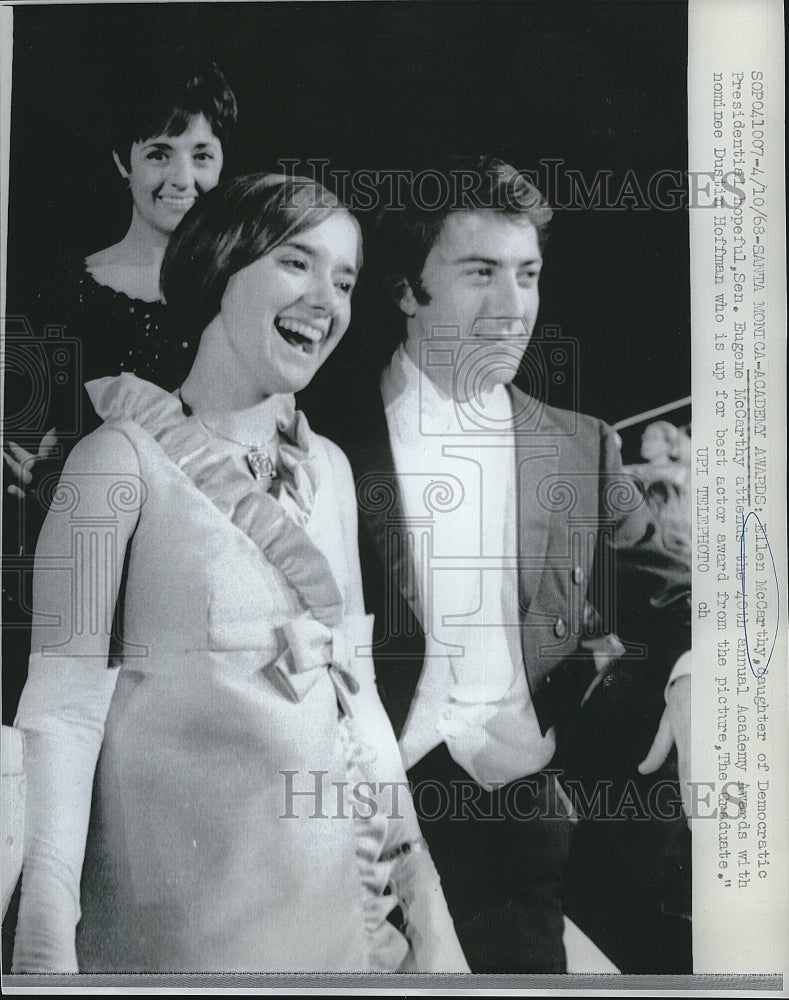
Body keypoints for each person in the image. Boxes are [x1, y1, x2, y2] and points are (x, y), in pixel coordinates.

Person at [10, 174, 467, 974]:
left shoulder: (325, 469)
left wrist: (429, 918)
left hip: (326, 925)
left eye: (346, 279)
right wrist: (45, 952)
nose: (325, 298)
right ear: (222, 265)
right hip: (175, 931)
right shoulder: (115, 462)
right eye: (297, 262)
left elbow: (359, 712)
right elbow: (61, 723)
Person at [330, 155, 692, 973]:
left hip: (522, 827)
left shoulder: (577, 444)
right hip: (353, 828)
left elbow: (675, 592)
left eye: (527, 275)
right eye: (480, 274)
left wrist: (693, 675)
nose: (514, 307)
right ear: (404, 293)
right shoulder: (319, 433)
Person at [1, 46, 237, 725]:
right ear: (121, 162)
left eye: (201, 154)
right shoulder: (63, 293)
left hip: (205, 589)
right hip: (83, 595)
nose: (182, 177)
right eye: (158, 154)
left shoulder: (244, 298)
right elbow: (25, 453)